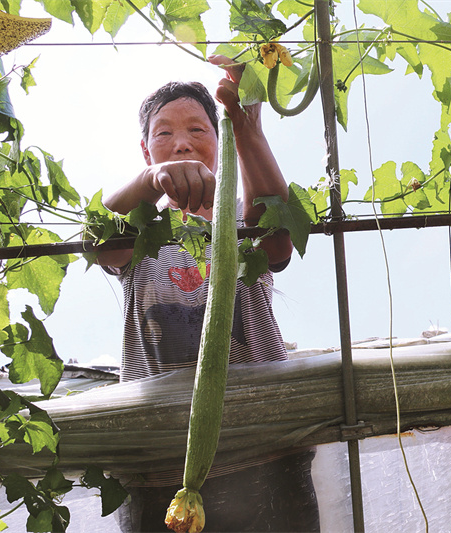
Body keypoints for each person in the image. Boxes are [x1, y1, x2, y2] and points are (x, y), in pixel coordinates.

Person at [97, 55, 319, 532]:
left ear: (221, 145)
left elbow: (280, 241)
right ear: (145, 149)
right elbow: (97, 242)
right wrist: (149, 183)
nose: (181, 143)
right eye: (164, 134)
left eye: (199, 130)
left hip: (265, 453)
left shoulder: (242, 217)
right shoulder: (141, 230)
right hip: (159, 466)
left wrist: (248, 128)